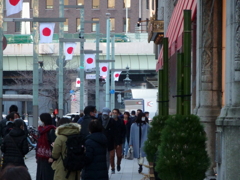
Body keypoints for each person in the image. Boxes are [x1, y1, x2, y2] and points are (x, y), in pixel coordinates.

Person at [36, 113, 56, 180]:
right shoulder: (40, 130)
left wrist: (52, 157)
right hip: (41, 158)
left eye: (40, 119)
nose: (39, 121)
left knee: (47, 176)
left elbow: (54, 145)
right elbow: (38, 144)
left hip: (48, 159)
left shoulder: (51, 130)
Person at [110, 109, 125, 174]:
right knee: (112, 156)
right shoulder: (109, 121)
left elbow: (123, 131)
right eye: (113, 112)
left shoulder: (121, 121)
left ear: (118, 114)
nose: (114, 114)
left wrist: (121, 140)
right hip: (111, 141)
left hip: (119, 141)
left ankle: (118, 164)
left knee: (119, 155)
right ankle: (112, 168)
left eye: (115, 113)